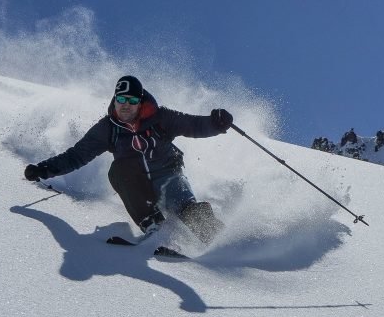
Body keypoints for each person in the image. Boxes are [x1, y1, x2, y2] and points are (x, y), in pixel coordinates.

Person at [24, 76, 233, 243]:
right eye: (121, 99)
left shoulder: (160, 118)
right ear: (114, 100)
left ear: (140, 102)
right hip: (138, 188)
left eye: (132, 101)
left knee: (189, 212)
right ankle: (155, 228)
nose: (126, 105)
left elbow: (194, 125)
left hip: (170, 177)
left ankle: (226, 244)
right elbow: (77, 155)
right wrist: (44, 169)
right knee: (117, 170)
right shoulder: (107, 129)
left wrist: (217, 123)